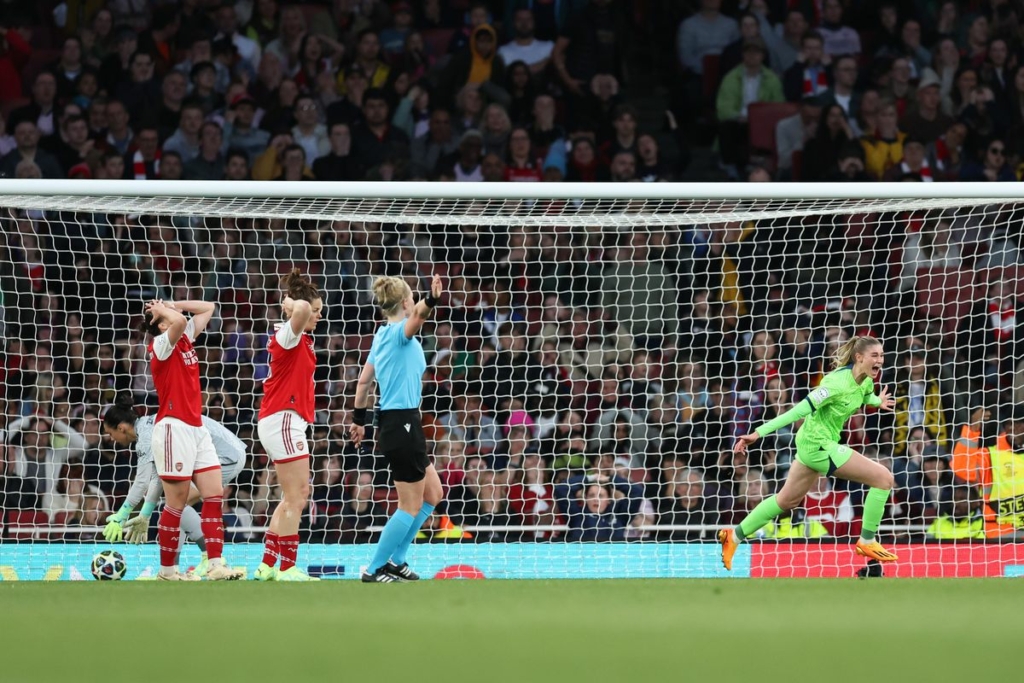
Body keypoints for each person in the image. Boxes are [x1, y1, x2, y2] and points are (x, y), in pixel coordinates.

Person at [719, 336, 899, 570]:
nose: (880, 360)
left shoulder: (865, 381)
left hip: (809, 445)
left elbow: (864, 396)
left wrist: (877, 401)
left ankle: (732, 537)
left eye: (882, 355)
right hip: (818, 446)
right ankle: (867, 540)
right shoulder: (834, 384)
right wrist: (757, 433)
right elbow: (798, 410)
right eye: (875, 355)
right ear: (859, 357)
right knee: (884, 479)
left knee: (786, 500)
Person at [349, 274, 445, 583]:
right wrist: (430, 299)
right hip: (400, 422)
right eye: (413, 299)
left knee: (433, 494)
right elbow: (418, 317)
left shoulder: (380, 337)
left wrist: (358, 420)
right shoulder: (397, 334)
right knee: (409, 505)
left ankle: (398, 559)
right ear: (405, 302)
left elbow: (363, 382)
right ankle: (374, 568)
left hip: (402, 423)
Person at [140, 298, 243, 581]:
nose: (177, 313)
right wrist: (161, 310)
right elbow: (182, 320)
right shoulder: (161, 345)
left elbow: (208, 306)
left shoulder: (184, 338)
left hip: (196, 428)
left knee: (214, 494)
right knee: (176, 502)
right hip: (173, 428)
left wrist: (171, 302)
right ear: (161, 324)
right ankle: (167, 571)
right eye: (168, 314)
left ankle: (216, 564)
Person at [101, 392, 247, 578]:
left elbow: (142, 482)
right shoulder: (150, 425)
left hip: (227, 456)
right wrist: (145, 514)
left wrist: (121, 515)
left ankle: (209, 558)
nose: (111, 439)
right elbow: (157, 479)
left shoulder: (147, 435)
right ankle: (175, 568)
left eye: (109, 433)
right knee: (174, 506)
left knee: (177, 505)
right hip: (231, 451)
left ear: (121, 428)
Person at [254, 269, 323, 582]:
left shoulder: (301, 337)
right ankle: (287, 567)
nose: (318, 316)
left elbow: (305, 310)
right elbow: (304, 309)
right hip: (283, 418)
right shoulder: (288, 334)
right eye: (317, 311)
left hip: (286, 420)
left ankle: (267, 564)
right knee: (298, 494)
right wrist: (292, 302)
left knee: (291, 495)